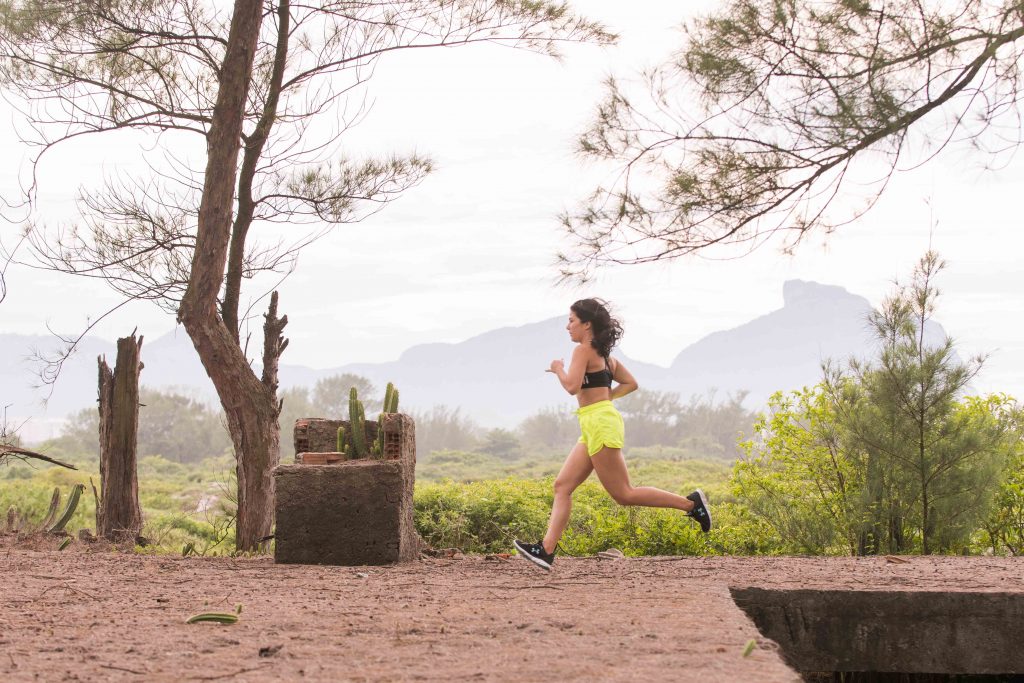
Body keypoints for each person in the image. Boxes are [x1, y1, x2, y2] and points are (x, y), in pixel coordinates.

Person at [513, 298, 711, 571]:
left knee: (624, 494)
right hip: (595, 422)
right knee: (562, 486)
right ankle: (545, 550)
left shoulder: (583, 351)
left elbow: (571, 387)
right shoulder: (607, 358)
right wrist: (605, 400)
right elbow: (631, 383)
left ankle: (691, 505)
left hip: (600, 424)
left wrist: (558, 369)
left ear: (587, 324)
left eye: (571, 320)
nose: (567, 326)